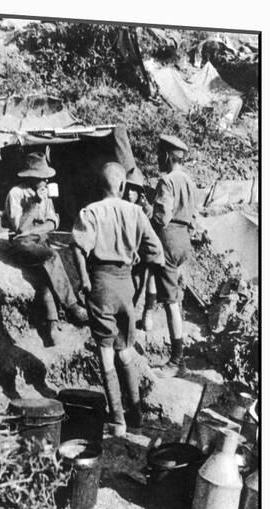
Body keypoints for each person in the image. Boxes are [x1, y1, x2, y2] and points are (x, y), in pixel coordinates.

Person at [72, 162, 164, 436]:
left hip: (101, 282)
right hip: (126, 286)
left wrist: (85, 280)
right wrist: (139, 275)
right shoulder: (136, 212)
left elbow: (77, 247)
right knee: (125, 349)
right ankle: (136, 414)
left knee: (105, 350)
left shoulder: (91, 212)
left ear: (100, 185)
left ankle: (118, 420)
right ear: (123, 187)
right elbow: (155, 251)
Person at [3, 152, 88, 346]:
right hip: (22, 245)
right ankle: (72, 306)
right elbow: (20, 229)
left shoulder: (45, 192)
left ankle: (51, 325)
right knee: (51, 257)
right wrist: (34, 205)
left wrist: (37, 229)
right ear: (30, 176)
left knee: (47, 276)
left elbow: (53, 223)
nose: (46, 180)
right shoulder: (16, 194)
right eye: (42, 177)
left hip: (39, 240)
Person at [150, 135, 197, 378]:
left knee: (170, 304)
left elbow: (162, 217)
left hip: (168, 239)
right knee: (175, 298)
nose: (158, 158)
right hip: (184, 241)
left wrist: (147, 219)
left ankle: (176, 361)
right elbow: (193, 215)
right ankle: (147, 316)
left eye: (160, 154)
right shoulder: (189, 180)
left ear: (168, 156)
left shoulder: (167, 180)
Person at [123, 170, 157, 330]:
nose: (130, 193)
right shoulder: (122, 206)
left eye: (134, 190)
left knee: (144, 280)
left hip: (141, 253)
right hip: (125, 253)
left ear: (140, 193)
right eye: (128, 189)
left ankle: (146, 313)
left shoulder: (145, 210)